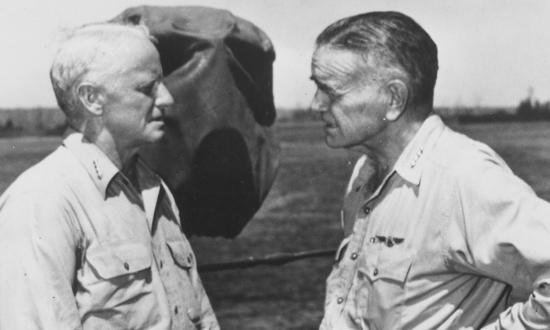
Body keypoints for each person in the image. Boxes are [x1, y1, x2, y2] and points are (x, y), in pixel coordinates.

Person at [310, 11, 550, 329]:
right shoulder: (365, 173)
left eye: (331, 91)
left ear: (393, 98)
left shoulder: (463, 177)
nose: (316, 104)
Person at [0, 23, 219, 329]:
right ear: (92, 98)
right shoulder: (42, 203)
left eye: (163, 83)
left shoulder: (155, 191)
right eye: (147, 88)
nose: (167, 98)